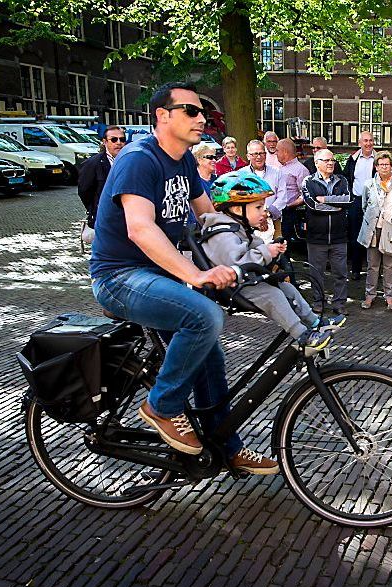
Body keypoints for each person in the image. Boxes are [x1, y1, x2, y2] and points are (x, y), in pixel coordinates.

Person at [89, 81, 278, 474]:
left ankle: (225, 445)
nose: (201, 117)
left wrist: (249, 255)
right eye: (191, 111)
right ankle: (161, 405)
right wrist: (197, 273)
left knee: (210, 353)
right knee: (204, 317)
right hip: (120, 277)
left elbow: (209, 218)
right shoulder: (140, 159)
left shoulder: (185, 162)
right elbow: (140, 228)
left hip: (159, 276)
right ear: (162, 116)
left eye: (202, 112)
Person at [201, 171, 336, 352]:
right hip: (233, 287)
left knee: (286, 287)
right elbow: (235, 262)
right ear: (235, 209)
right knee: (273, 295)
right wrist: (266, 251)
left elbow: (258, 250)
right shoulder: (222, 233)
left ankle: (315, 322)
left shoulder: (240, 229)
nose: (263, 212)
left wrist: (275, 251)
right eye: (258, 207)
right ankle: (302, 334)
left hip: (246, 281)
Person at [302, 148, 352, 315]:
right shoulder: (308, 182)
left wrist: (324, 199)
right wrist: (336, 205)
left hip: (339, 236)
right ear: (317, 163)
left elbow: (348, 200)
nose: (331, 163)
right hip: (316, 238)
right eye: (327, 160)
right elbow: (312, 206)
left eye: (332, 160)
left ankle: (339, 303)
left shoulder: (342, 180)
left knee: (341, 273)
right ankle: (318, 302)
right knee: (316, 274)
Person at [358, 151, 392, 311]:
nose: (384, 167)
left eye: (387, 164)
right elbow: (364, 206)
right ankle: (370, 295)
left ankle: (389, 297)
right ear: (376, 167)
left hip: (391, 230)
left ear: (391, 166)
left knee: (389, 265)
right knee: (372, 265)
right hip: (373, 229)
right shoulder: (368, 185)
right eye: (381, 165)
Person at [78, 125, 126, 245]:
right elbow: (84, 191)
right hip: (104, 220)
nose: (119, 143)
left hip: (126, 220)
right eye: (114, 139)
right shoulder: (92, 164)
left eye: (122, 139)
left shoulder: (130, 160)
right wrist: (95, 209)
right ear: (105, 142)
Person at [344, 131, 376, 280]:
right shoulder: (353, 159)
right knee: (355, 235)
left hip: (373, 202)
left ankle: (373, 270)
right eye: (365, 141)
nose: (368, 143)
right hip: (356, 201)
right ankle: (355, 269)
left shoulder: (378, 159)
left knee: (374, 236)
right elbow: (346, 178)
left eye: (370, 140)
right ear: (360, 143)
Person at [240, 140, 285, 237]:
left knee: (277, 250)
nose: (259, 157)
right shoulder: (241, 175)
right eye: (255, 154)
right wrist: (256, 218)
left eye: (261, 153)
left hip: (273, 221)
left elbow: (283, 197)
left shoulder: (277, 172)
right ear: (248, 156)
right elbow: (240, 200)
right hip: (248, 223)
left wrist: (267, 214)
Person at [276, 138, 310, 241]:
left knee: (287, 241)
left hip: (290, 212)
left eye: (277, 150)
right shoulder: (280, 168)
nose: (276, 153)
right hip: (278, 211)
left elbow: (305, 194)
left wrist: (289, 206)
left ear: (285, 152)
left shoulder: (301, 170)